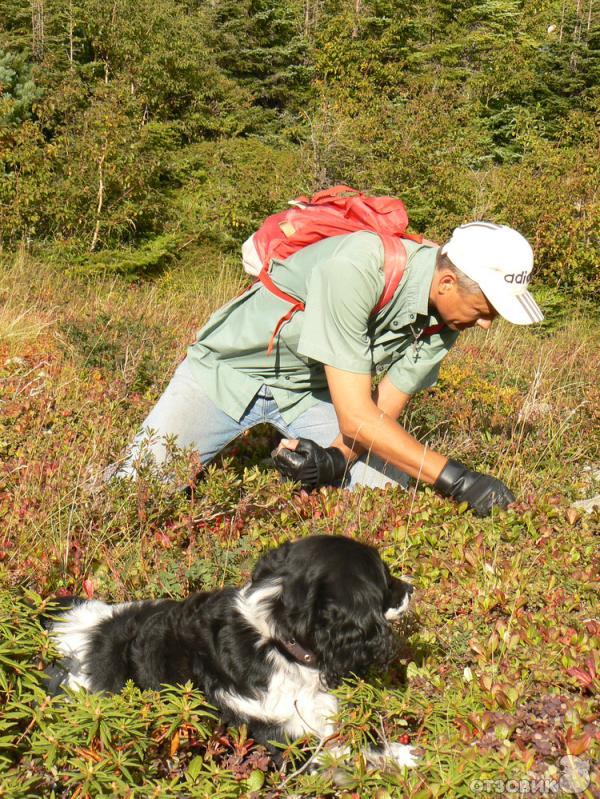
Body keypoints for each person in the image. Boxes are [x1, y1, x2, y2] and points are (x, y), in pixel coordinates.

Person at [116, 221, 544, 516]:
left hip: (311, 392)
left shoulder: (446, 318)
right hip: (227, 372)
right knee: (135, 492)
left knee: (387, 500)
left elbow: (381, 412)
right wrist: (458, 480)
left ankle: (274, 470)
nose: (486, 324)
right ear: (448, 283)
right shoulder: (359, 267)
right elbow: (358, 417)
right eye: (484, 310)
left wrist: (336, 459)